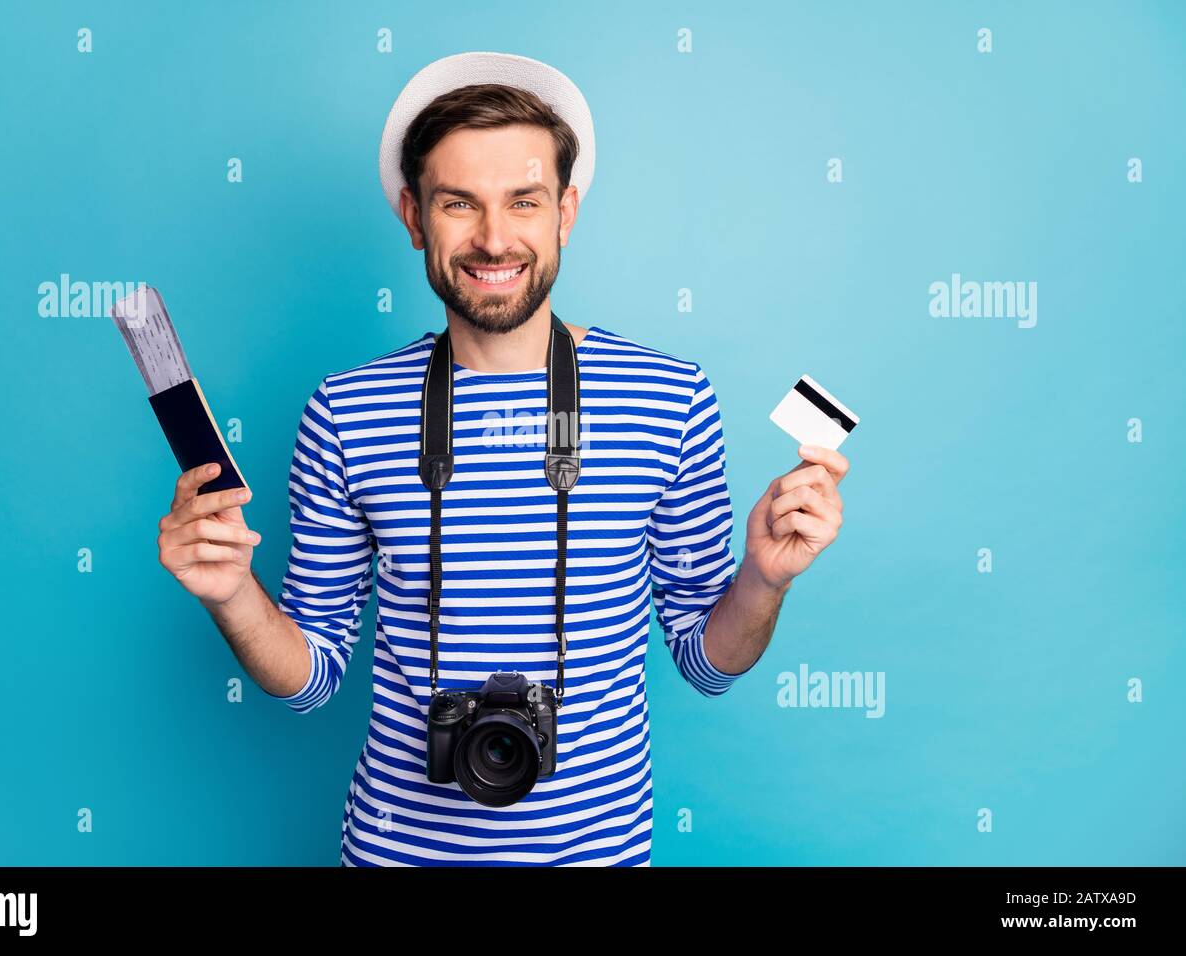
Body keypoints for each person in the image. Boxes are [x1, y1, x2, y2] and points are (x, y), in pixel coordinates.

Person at [156, 52, 850, 865]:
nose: (494, 237)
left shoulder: (672, 399)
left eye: (523, 200)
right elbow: (309, 680)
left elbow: (705, 661)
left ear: (566, 211)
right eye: (459, 204)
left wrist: (765, 579)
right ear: (415, 218)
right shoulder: (345, 411)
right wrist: (232, 595)